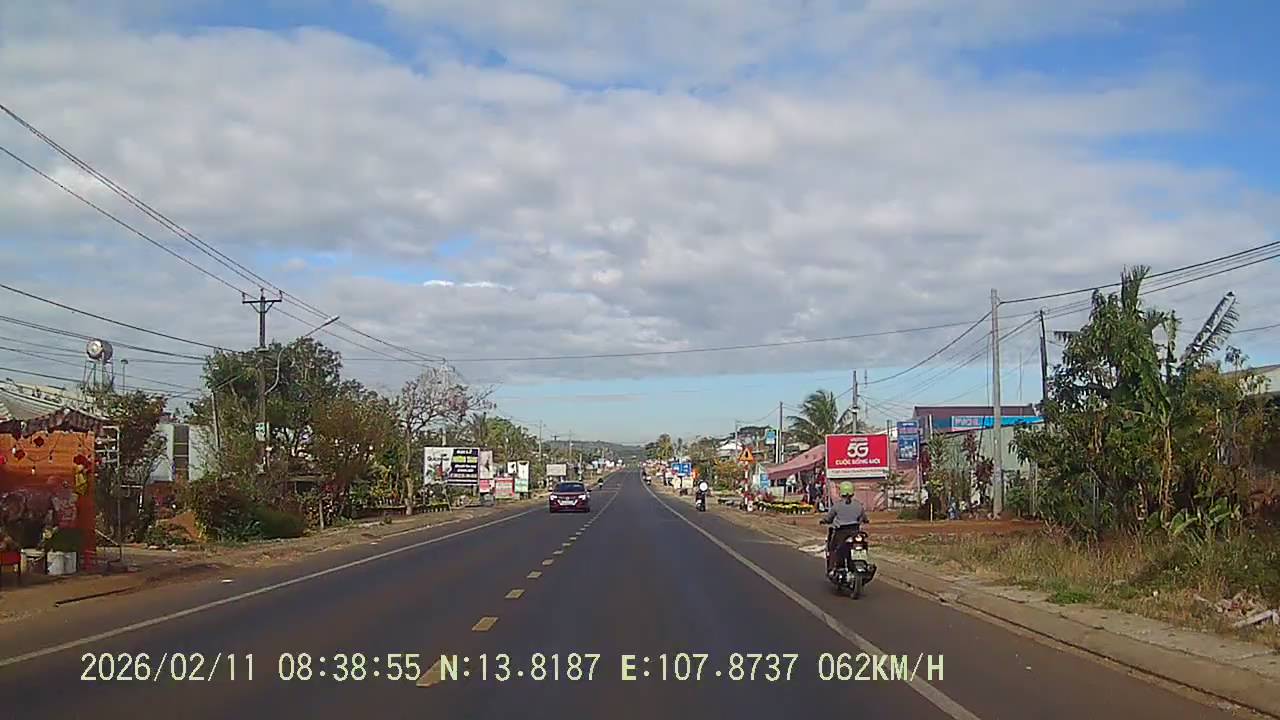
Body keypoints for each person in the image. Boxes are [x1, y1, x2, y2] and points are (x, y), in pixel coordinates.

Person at [820, 481, 868, 574]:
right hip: (855, 532)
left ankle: (832, 569)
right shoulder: (858, 505)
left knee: (833, 548)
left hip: (841, 532)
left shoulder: (837, 506)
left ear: (841, 493)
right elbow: (864, 518)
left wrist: (824, 521)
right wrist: (865, 520)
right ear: (852, 492)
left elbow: (829, 518)